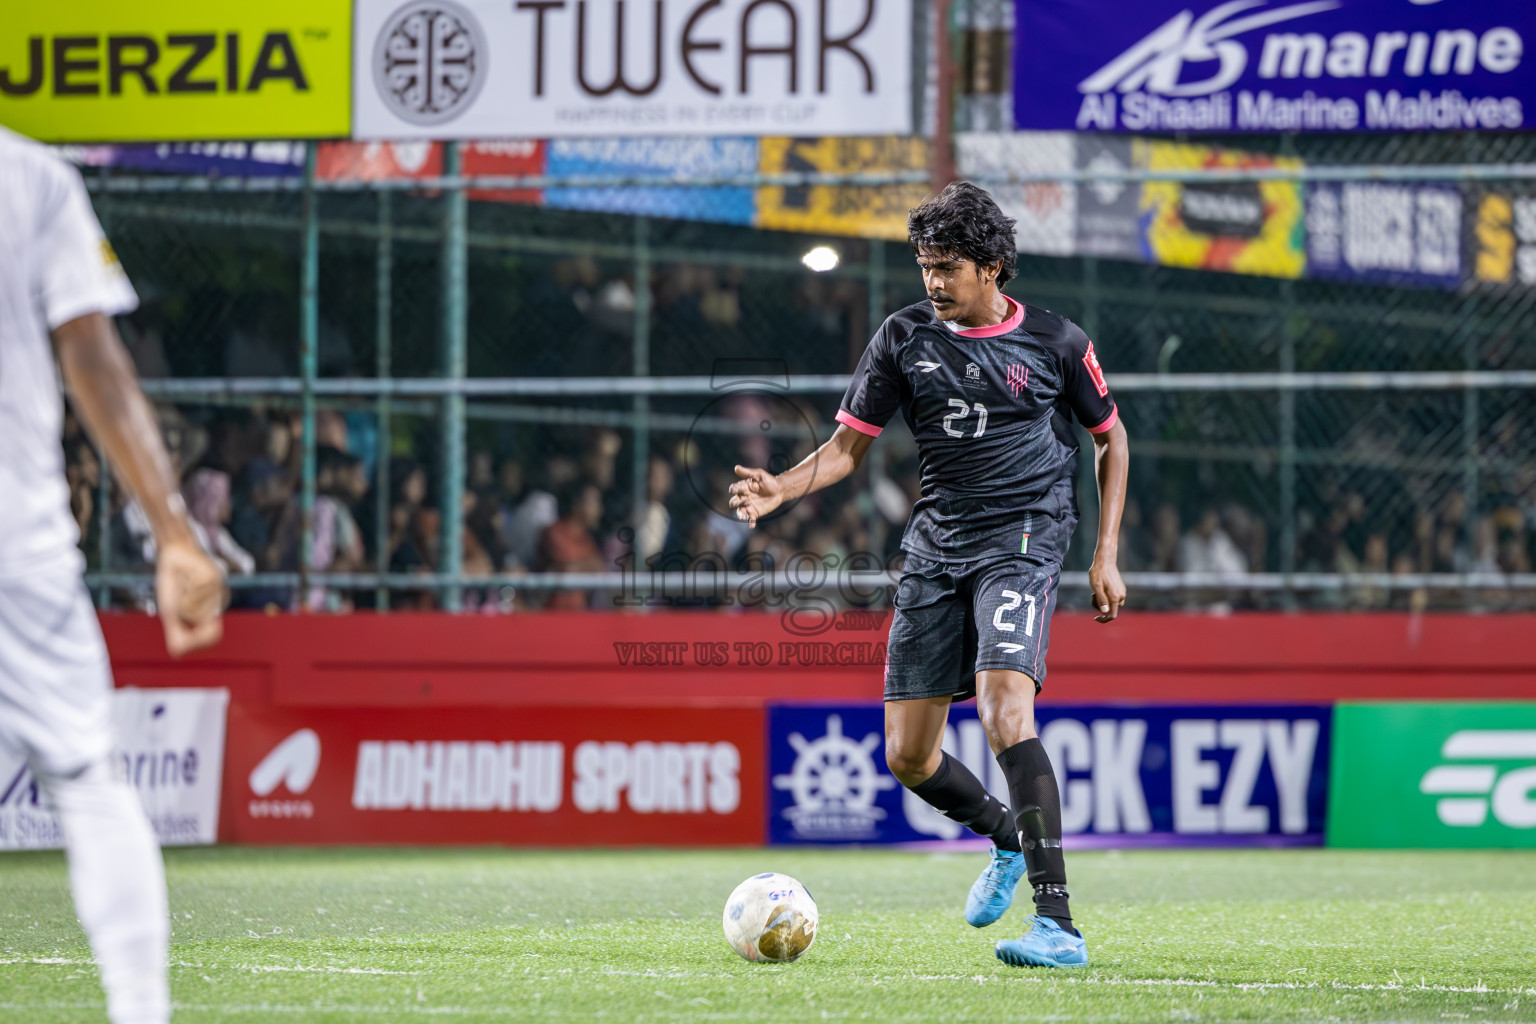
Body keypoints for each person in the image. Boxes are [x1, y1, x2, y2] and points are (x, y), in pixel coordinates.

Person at [730, 181, 1128, 970]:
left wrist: (1105, 551)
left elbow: (1112, 440)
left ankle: (1059, 926)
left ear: (993, 267)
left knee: (1004, 708)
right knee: (907, 757)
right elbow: (847, 450)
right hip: (936, 546)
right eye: (925, 266)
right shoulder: (904, 337)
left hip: (1023, 536)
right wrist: (782, 486)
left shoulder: (1055, 342)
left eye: (947, 267)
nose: (933, 282)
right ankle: (1008, 836)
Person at [0, 128, 226, 1024]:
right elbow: (94, 361)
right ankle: (141, 1012)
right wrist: (172, 531)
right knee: (90, 780)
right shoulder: (31, 177)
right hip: (16, 543)